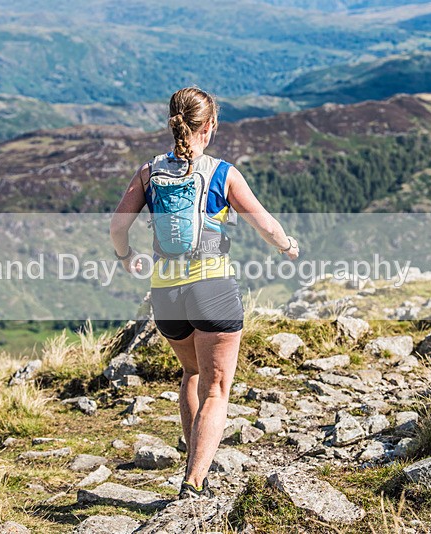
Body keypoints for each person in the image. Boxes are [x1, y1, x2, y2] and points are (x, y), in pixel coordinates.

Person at [110, 86, 299, 499]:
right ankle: (194, 483)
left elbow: (118, 227)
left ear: (172, 123)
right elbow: (265, 225)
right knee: (216, 389)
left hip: (166, 293)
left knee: (192, 373)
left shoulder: (148, 173)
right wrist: (287, 246)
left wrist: (126, 257)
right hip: (212, 289)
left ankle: (193, 468)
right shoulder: (222, 173)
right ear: (210, 126)